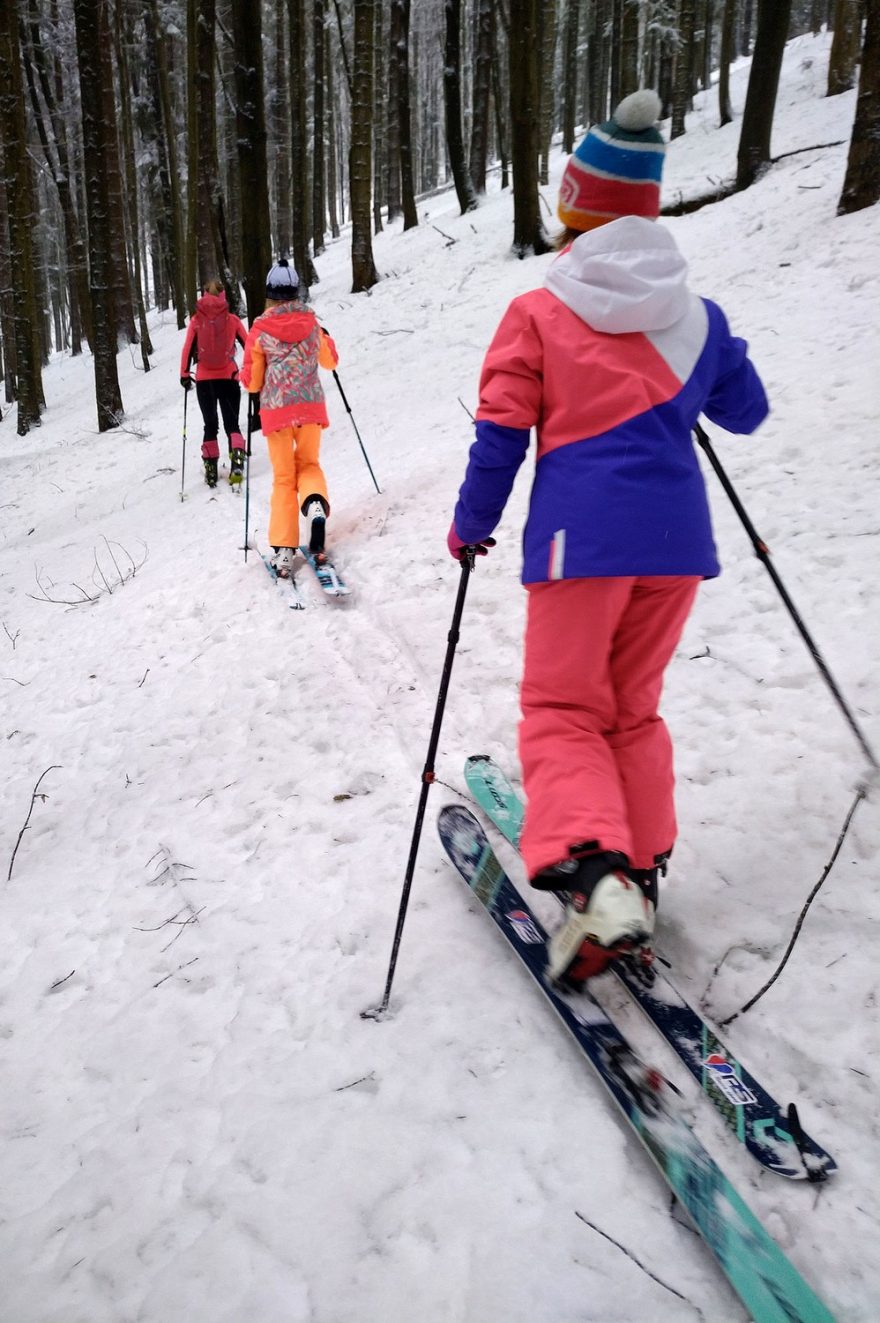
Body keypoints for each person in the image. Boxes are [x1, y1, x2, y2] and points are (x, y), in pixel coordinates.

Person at [447, 91, 769, 987]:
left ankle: (594, 874)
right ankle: (642, 868)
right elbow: (748, 410)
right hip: (675, 547)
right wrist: (697, 367)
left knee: (563, 711)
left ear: (575, 209)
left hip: (577, 547)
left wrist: (470, 526)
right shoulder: (694, 314)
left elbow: (501, 432)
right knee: (631, 707)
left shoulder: (540, 312)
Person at [241, 260, 339, 578]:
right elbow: (330, 361)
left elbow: (252, 383)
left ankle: (284, 553)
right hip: (310, 408)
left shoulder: (259, 329)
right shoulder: (311, 322)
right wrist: (325, 336)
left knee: (284, 478)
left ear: (269, 295)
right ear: (296, 292)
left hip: (277, 411)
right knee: (308, 465)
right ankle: (313, 506)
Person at [180, 278, 247, 488]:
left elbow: (187, 348)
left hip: (204, 381)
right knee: (232, 423)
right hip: (228, 377)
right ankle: (237, 461)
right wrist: (248, 370)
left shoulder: (196, 321)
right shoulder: (233, 320)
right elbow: (250, 345)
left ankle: (210, 468)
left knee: (210, 424)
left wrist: (184, 373)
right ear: (223, 297)